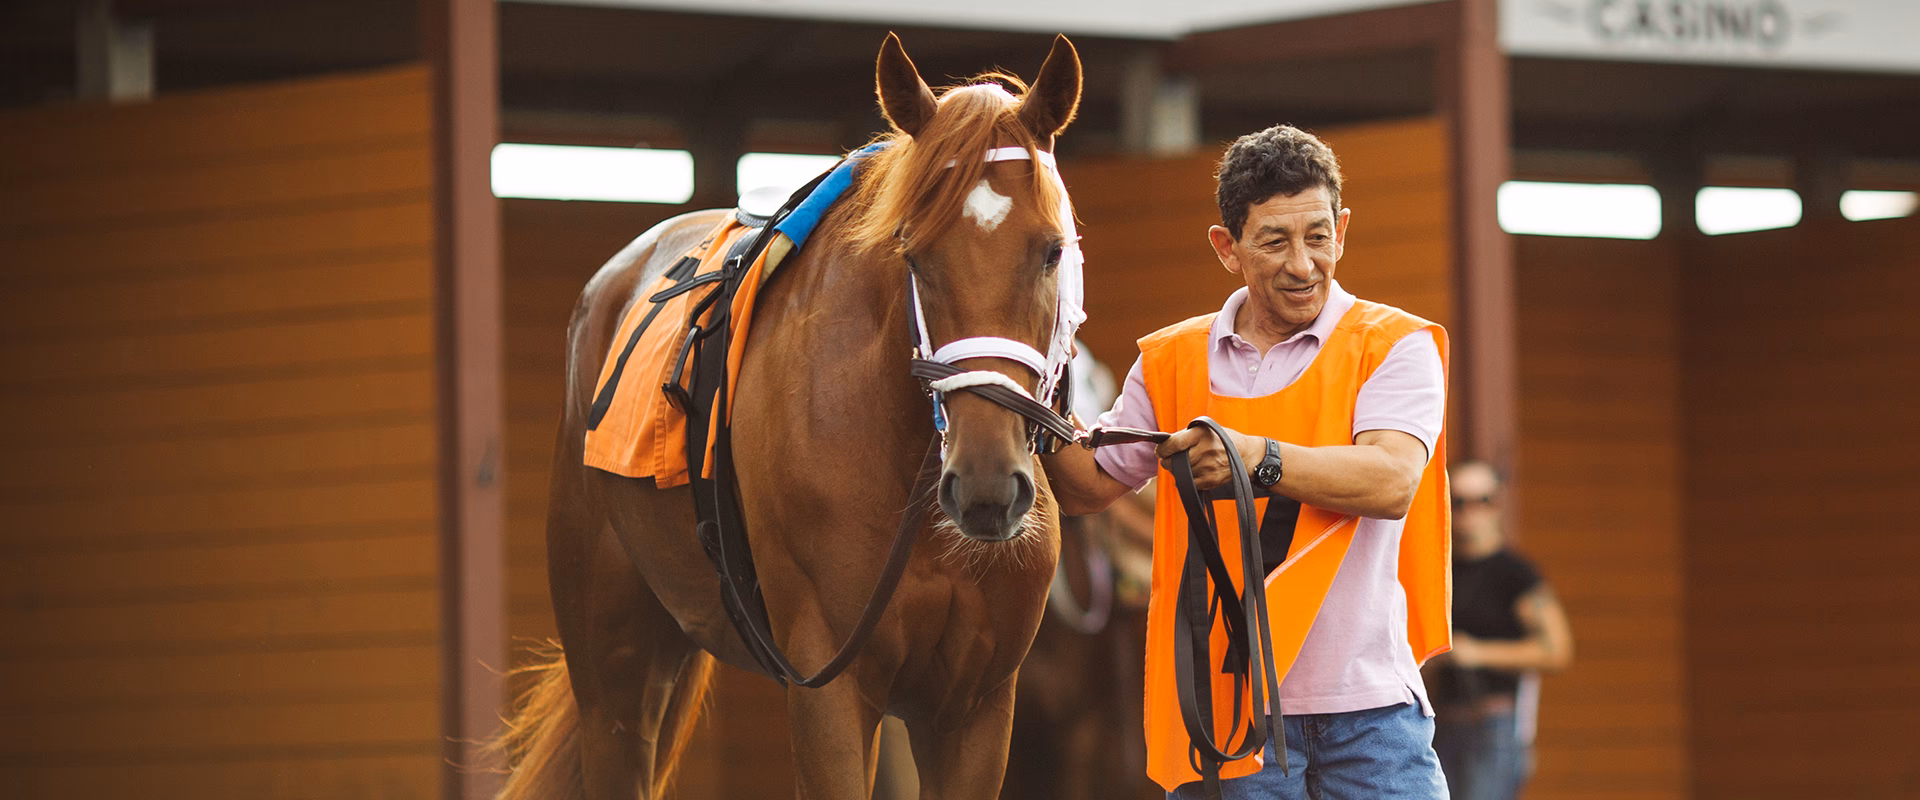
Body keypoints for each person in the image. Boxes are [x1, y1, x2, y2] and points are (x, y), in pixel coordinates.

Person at [1043, 124, 1452, 799]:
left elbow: (1391, 481)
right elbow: (1085, 488)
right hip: (1231, 717)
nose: (1303, 263)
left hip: (1373, 715)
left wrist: (1252, 457)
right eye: (1274, 241)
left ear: (1342, 229)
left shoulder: (1394, 345)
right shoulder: (1171, 360)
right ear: (1226, 248)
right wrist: (1032, 380)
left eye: (1318, 236)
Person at [1425, 461, 1574, 800]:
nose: (1470, 513)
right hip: (1438, 723)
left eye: (1482, 501)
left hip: (1493, 724)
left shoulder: (1515, 574)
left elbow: (1557, 650)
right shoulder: (1438, 569)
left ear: (1497, 506)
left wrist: (1476, 653)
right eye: (1459, 502)